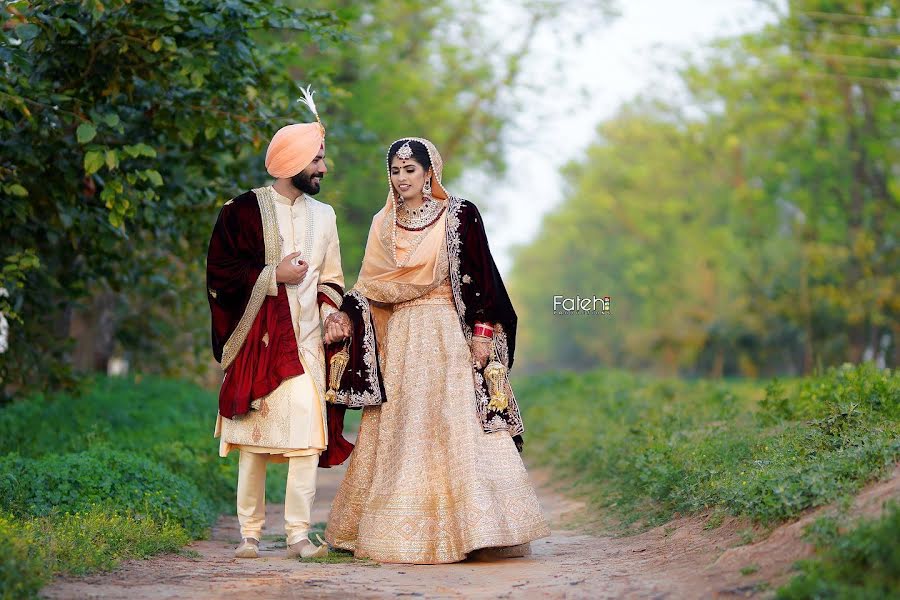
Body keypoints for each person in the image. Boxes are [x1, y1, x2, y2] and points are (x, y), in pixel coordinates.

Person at [321, 137, 550, 564]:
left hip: (449, 335)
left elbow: (484, 281)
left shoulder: (460, 214)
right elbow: (367, 290)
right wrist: (342, 316)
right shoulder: (382, 224)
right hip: (403, 341)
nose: (402, 178)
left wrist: (482, 334)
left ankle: (481, 530)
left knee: (460, 425)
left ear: (430, 173)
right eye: (395, 171)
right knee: (403, 431)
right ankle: (397, 532)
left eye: (410, 170)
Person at [206, 89, 351, 560]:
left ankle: (296, 534)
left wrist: (332, 316)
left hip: (307, 345)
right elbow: (220, 274)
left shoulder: (325, 216)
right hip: (260, 343)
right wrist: (273, 275)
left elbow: (331, 277)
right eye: (317, 160)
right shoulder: (242, 212)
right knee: (255, 440)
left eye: (323, 159)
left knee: (307, 440)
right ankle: (249, 533)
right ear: (292, 161)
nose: (323, 169)